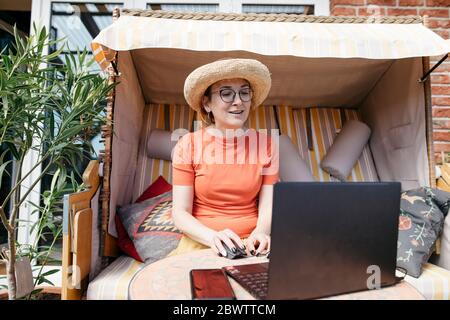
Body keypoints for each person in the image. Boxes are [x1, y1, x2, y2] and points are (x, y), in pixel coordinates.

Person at [171, 58, 279, 258]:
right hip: (203, 242)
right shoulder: (187, 144)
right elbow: (180, 213)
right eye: (226, 93)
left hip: (252, 243)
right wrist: (213, 237)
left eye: (244, 92)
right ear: (207, 103)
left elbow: (268, 205)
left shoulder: (267, 145)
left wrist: (261, 232)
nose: (238, 101)